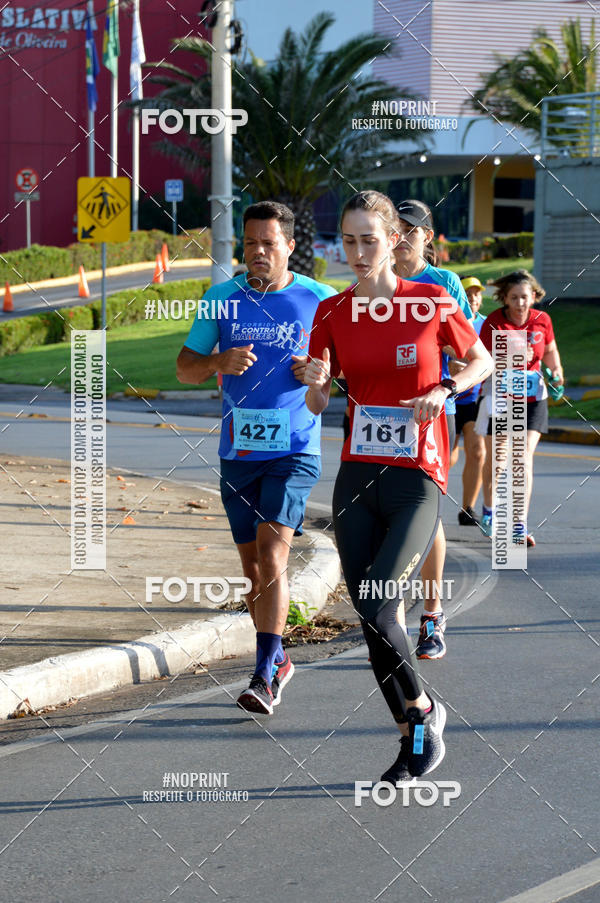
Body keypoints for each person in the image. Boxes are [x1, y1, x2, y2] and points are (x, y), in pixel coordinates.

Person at [304, 190, 493, 783]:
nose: (358, 252)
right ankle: (417, 723)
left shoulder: (431, 300)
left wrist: (445, 389)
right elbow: (317, 401)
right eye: (350, 240)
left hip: (417, 473)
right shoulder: (332, 311)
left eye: (370, 239)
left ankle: (423, 712)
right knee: (368, 611)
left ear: (394, 240)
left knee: (382, 601)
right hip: (358, 473)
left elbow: (482, 359)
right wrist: (316, 381)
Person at [176, 201, 337, 715]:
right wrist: (217, 362)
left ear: (290, 245)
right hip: (238, 451)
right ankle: (280, 655)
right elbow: (184, 369)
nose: (258, 253)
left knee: (272, 555)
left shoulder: (321, 300)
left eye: (269, 243)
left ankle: (265, 672)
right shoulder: (221, 299)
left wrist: (320, 376)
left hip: (295, 449)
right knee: (252, 568)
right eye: (250, 244)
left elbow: (340, 374)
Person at [392, 200, 474, 661]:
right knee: (386, 516)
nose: (402, 237)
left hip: (430, 413)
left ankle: (432, 614)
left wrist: (446, 382)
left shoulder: (444, 283)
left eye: (411, 230)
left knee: (427, 514)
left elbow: (467, 349)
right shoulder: (374, 281)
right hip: (378, 418)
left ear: (428, 237)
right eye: (395, 228)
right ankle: (392, 614)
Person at [476, 269, 563, 547]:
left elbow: (549, 351)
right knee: (499, 461)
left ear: (534, 296)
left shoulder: (542, 320)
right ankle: (489, 511)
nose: (520, 304)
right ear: (505, 298)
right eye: (514, 298)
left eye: (525, 297)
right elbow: (483, 361)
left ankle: (518, 524)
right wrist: (511, 357)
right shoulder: (494, 323)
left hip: (533, 397)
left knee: (523, 458)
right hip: (501, 396)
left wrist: (557, 372)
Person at [449, 277, 487, 526]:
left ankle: (467, 509)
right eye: (468, 293)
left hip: (475, 399)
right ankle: (428, 505)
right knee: (447, 457)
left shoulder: (487, 324)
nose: (473, 298)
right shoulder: (448, 319)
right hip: (448, 397)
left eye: (477, 293)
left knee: (477, 452)